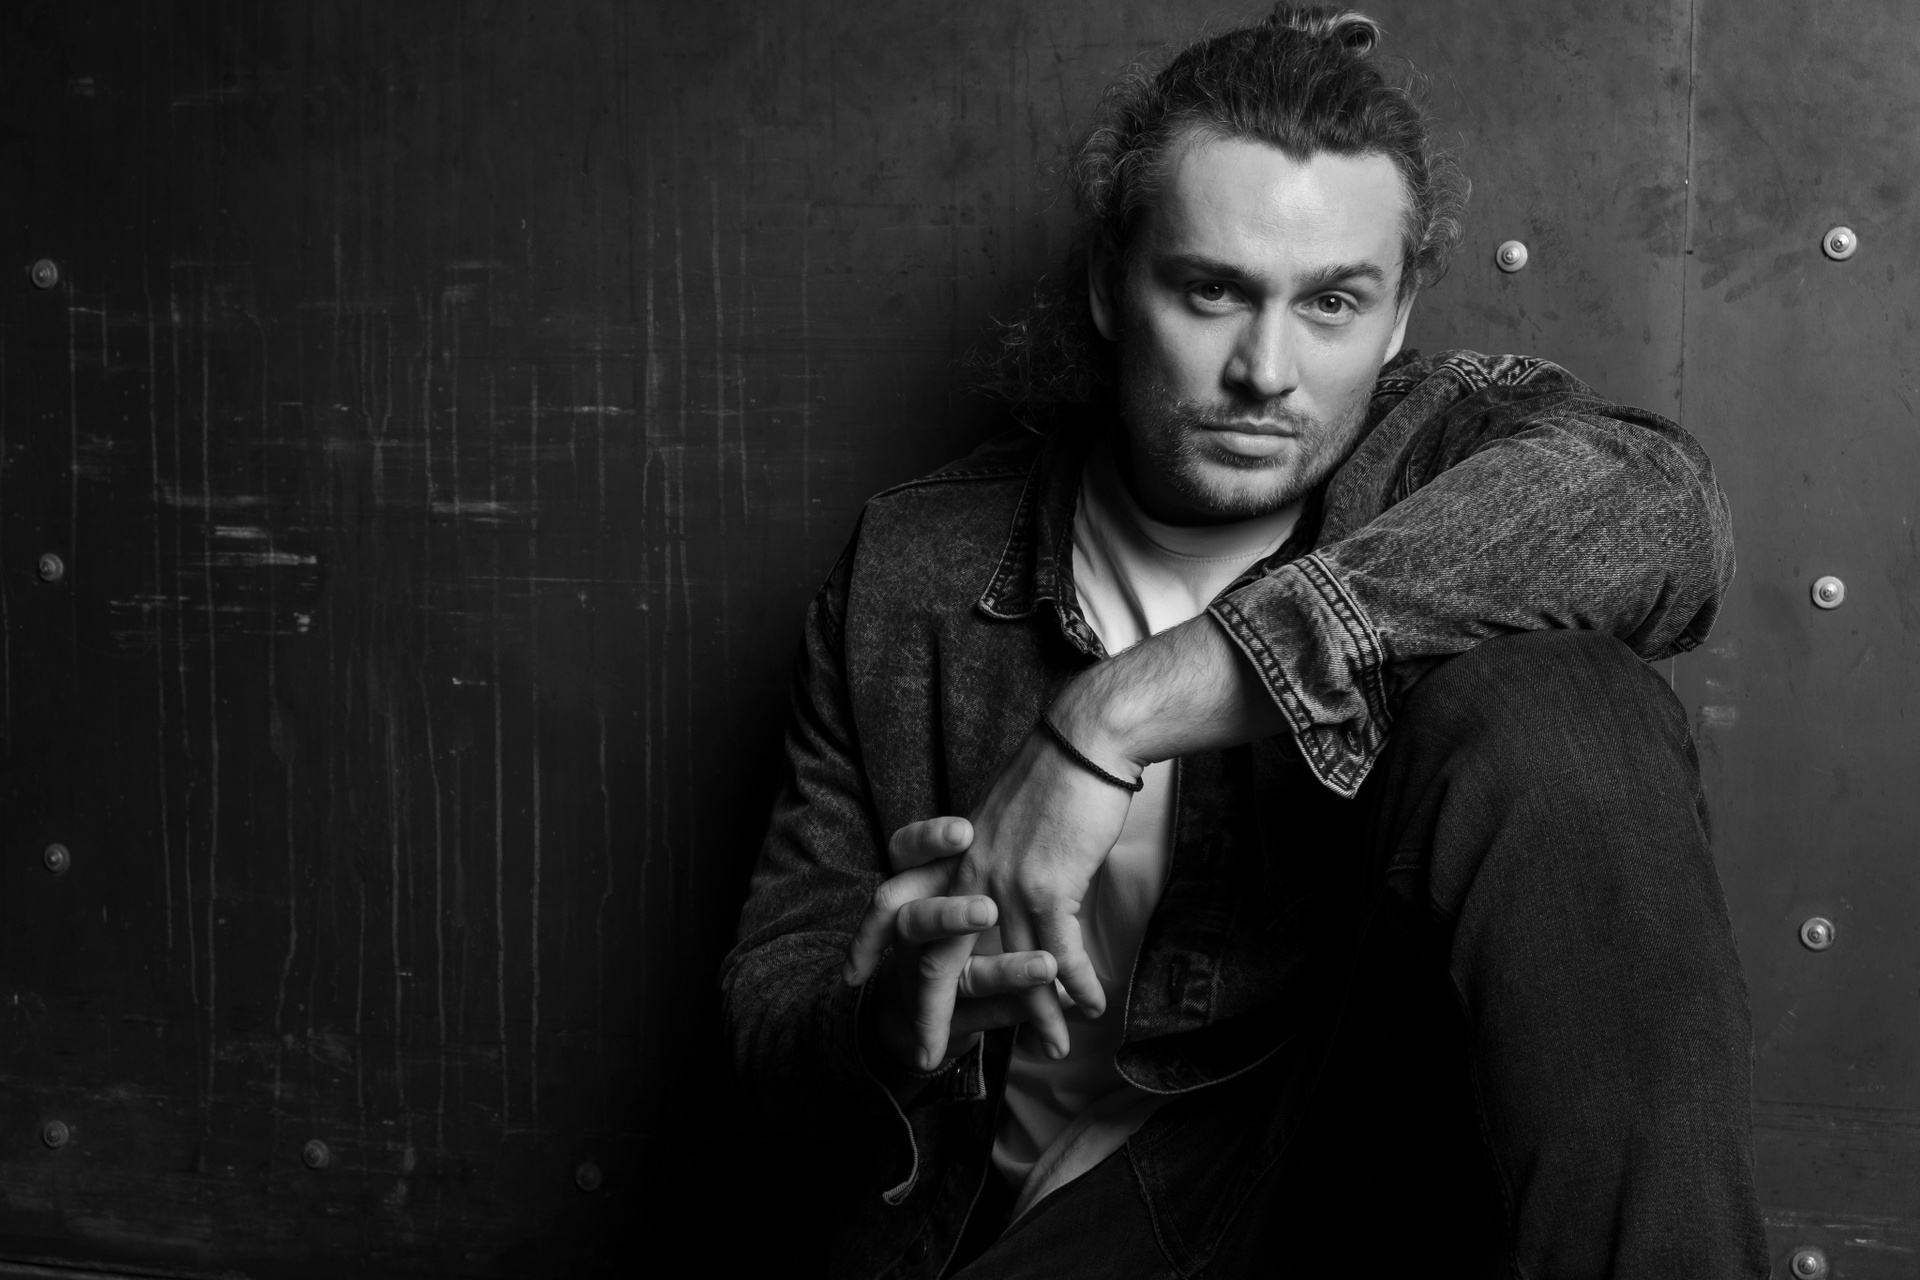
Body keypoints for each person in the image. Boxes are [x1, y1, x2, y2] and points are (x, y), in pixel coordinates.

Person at [723, 6, 1768, 1277]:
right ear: (1111, 285)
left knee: (1566, 701)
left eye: (1332, 302)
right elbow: (773, 1018)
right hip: (1103, 1216)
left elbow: (1665, 511)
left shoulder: (1446, 463)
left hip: (1380, 1175)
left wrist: (1110, 715)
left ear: (1397, 318)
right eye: (1212, 291)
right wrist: (887, 1020)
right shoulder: (915, 571)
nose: (1266, 370)